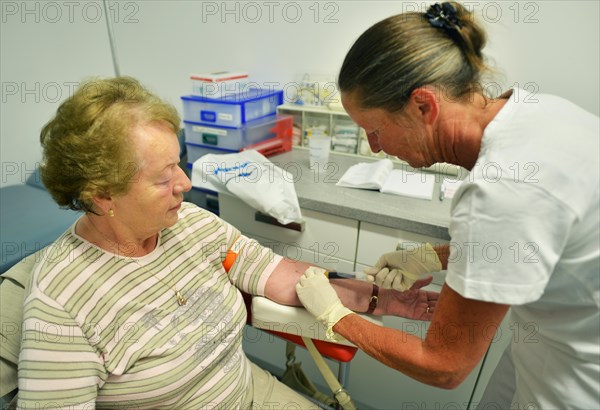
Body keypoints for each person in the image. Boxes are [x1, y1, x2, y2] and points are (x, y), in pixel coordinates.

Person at [17, 76, 438, 409]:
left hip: (249, 390)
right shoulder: (62, 306)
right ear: (102, 195)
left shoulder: (190, 225)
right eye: (164, 178)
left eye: (179, 164)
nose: (185, 182)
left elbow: (280, 274)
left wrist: (382, 299)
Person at [295, 2, 600, 409]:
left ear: (424, 106)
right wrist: (433, 256)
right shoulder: (537, 111)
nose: (375, 148)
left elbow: (443, 366)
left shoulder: (501, 189)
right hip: (555, 330)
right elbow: (539, 238)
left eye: (375, 130)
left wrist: (335, 316)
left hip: (578, 376)